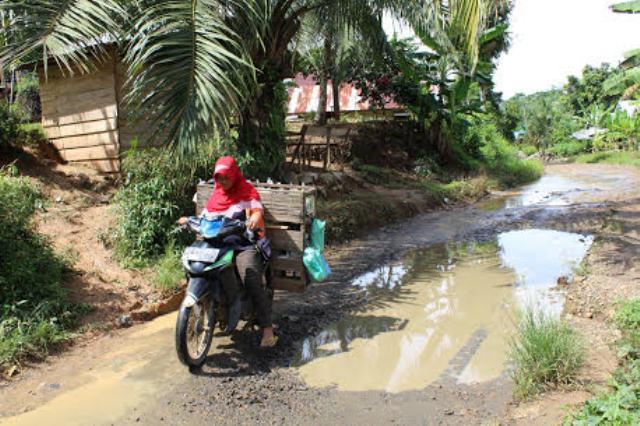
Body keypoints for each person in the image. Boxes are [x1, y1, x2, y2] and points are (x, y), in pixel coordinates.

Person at [178, 156, 277, 348]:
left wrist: (254, 218)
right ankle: (209, 305)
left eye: (225, 177)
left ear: (234, 174)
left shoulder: (246, 190)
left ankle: (267, 329)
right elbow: (206, 216)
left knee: (251, 278)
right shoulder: (217, 194)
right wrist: (189, 220)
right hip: (217, 244)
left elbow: (257, 209)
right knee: (195, 267)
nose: (222, 181)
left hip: (241, 244)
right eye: (219, 177)